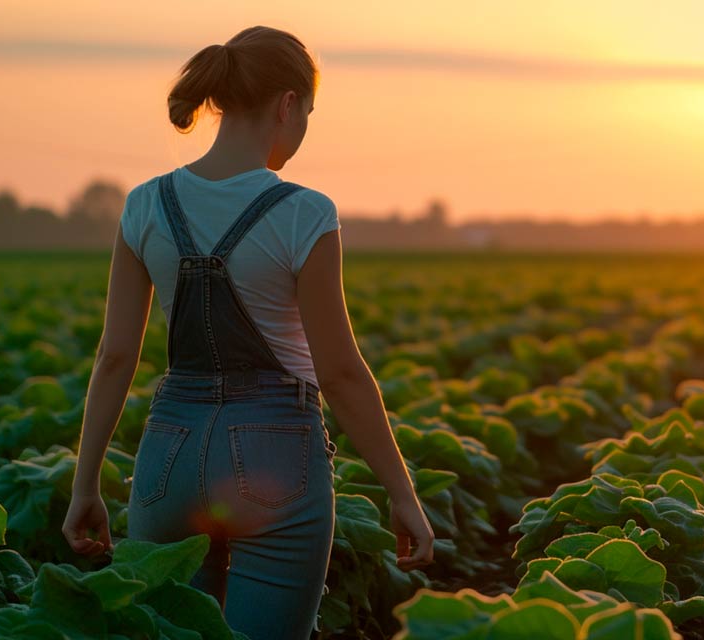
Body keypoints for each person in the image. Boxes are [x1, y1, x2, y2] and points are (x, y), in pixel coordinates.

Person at [61, 25, 435, 639]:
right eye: (309, 112)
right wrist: (401, 490)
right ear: (288, 104)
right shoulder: (305, 212)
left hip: (167, 456)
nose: (305, 128)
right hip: (277, 453)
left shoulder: (143, 205)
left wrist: (85, 486)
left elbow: (115, 357)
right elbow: (339, 371)